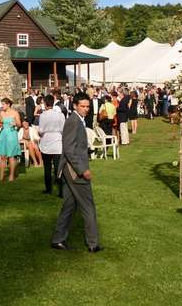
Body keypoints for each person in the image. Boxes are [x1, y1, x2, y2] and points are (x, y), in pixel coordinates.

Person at [51, 93, 101, 252]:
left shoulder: (78, 120)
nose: (86, 109)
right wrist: (83, 170)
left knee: (69, 205)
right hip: (75, 171)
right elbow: (69, 149)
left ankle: (58, 239)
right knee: (88, 206)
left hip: (69, 169)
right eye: (82, 106)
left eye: (87, 106)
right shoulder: (73, 121)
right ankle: (93, 244)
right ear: (74, 106)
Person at [38, 94, 64, 197]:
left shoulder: (43, 115)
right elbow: (63, 129)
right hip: (58, 142)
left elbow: (41, 131)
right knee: (59, 168)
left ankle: (48, 189)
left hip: (47, 142)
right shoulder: (60, 115)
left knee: (47, 168)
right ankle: (61, 191)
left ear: (45, 103)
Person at [0, 98, 21, 182]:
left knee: (11, 156)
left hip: (12, 134)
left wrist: (15, 123)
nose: (1, 106)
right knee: (2, 156)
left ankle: (11, 175)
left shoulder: (15, 113)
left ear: (8, 104)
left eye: (3, 104)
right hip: (3, 135)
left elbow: (19, 124)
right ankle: (1, 176)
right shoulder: (1, 113)